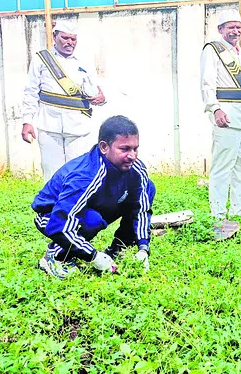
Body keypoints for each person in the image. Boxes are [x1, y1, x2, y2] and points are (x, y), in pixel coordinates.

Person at [32, 115, 155, 278]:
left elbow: (141, 210)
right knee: (92, 220)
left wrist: (143, 248)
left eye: (135, 148)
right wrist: (93, 256)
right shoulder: (85, 176)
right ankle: (55, 256)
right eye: (124, 149)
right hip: (52, 215)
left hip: (88, 205)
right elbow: (59, 224)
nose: (132, 155)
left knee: (147, 187)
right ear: (104, 147)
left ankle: (118, 249)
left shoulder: (135, 168)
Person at [200, 9, 241, 220]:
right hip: (226, 117)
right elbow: (206, 83)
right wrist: (215, 108)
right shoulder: (213, 50)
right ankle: (218, 214)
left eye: (238, 27)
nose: (235, 31)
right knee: (222, 168)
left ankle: (239, 212)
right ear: (221, 29)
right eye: (231, 27)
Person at [21, 20, 106, 183]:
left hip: (79, 127)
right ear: (55, 36)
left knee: (79, 173)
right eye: (65, 38)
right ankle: (51, 208)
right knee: (52, 175)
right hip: (49, 126)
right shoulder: (41, 59)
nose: (69, 42)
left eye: (73, 39)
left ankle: (77, 208)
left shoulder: (84, 61)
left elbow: (96, 90)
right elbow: (31, 92)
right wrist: (27, 122)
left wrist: (102, 98)